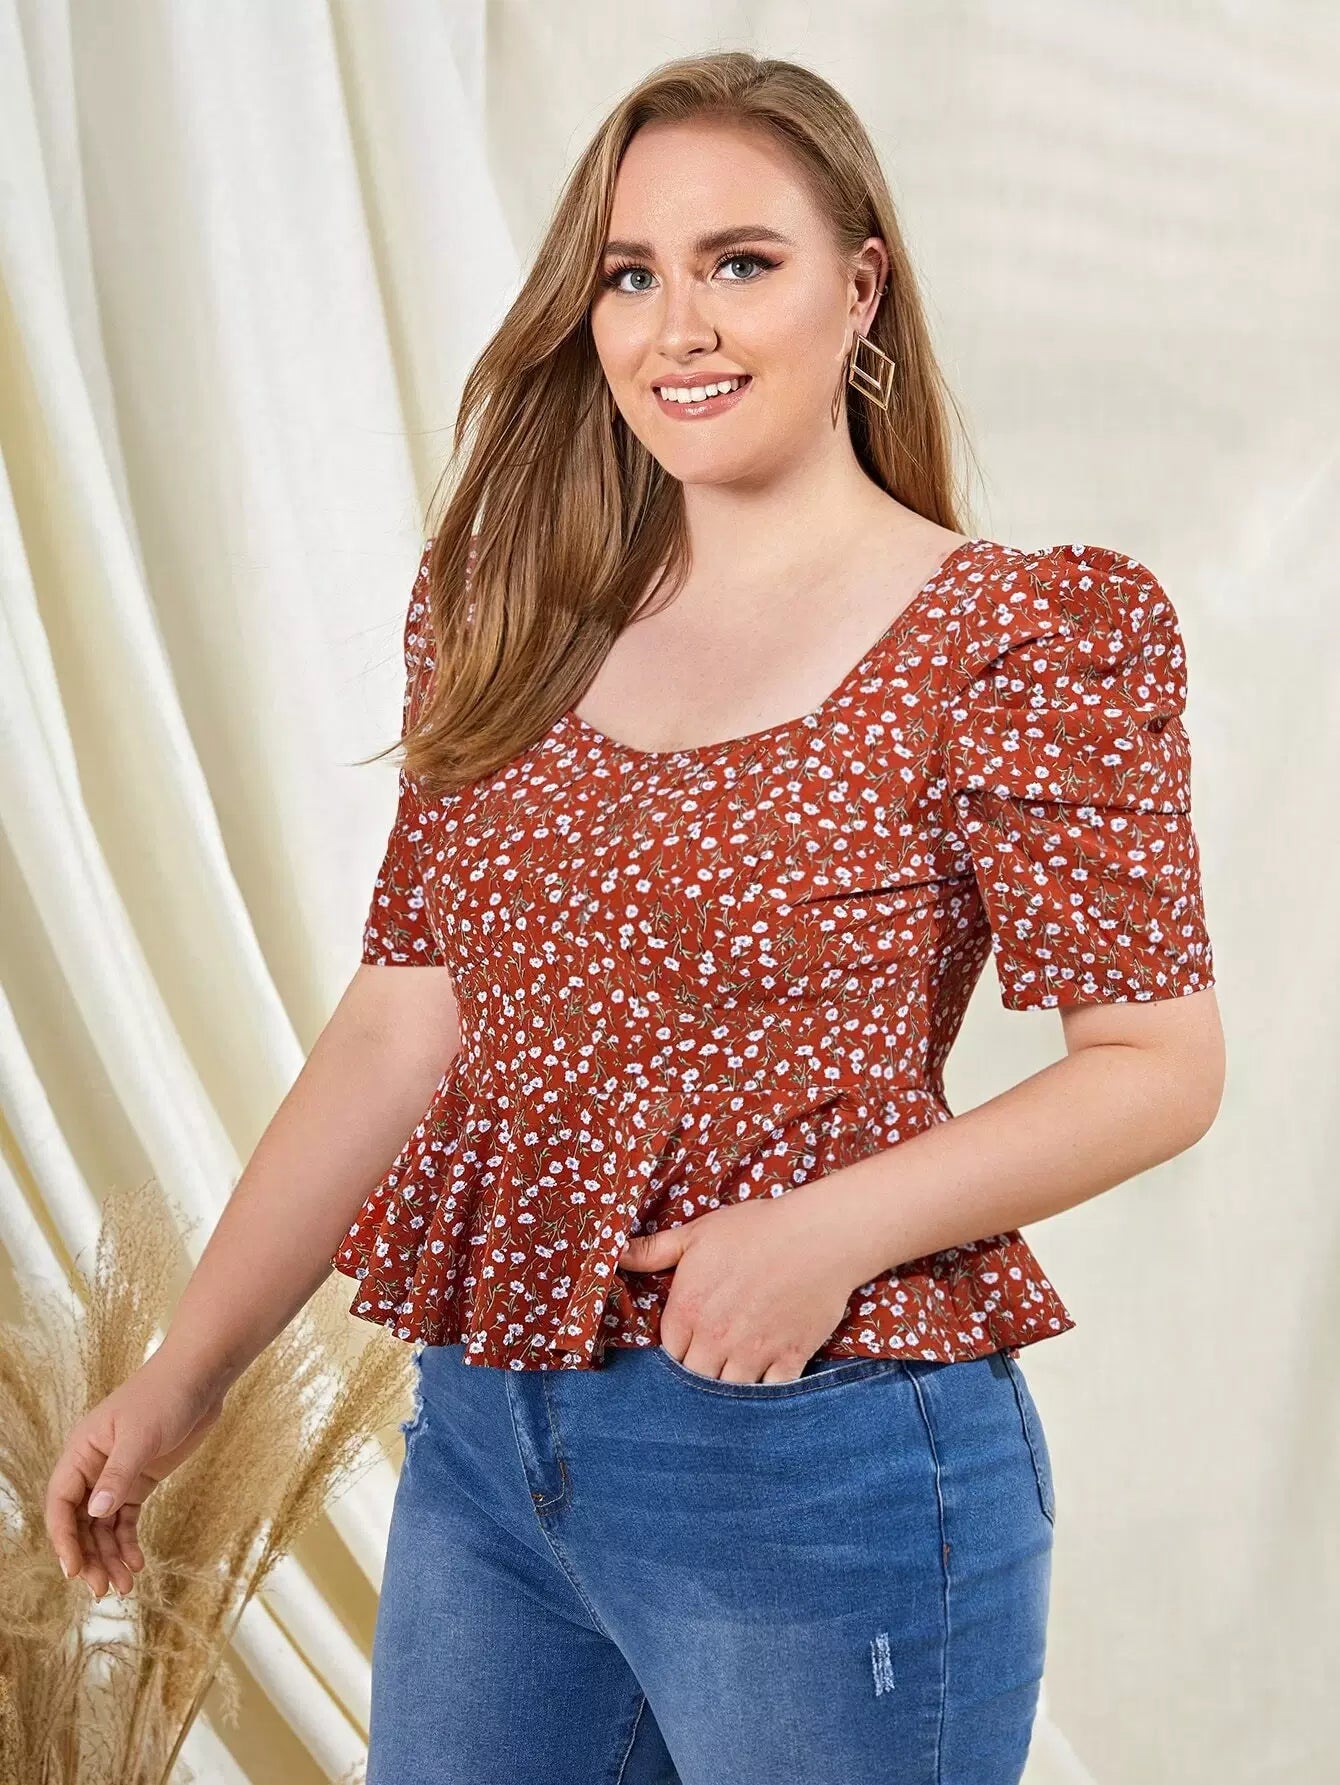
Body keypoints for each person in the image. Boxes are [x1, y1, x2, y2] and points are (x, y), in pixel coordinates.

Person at [46, 49, 1225, 1785]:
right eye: (629, 273)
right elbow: (403, 1020)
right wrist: (185, 1374)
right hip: (487, 1451)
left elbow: (1157, 1063)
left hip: (819, 1455)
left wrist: (822, 1234)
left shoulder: (1017, 638)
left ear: (861, 287)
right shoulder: (508, 615)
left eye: (740, 261)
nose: (679, 326)